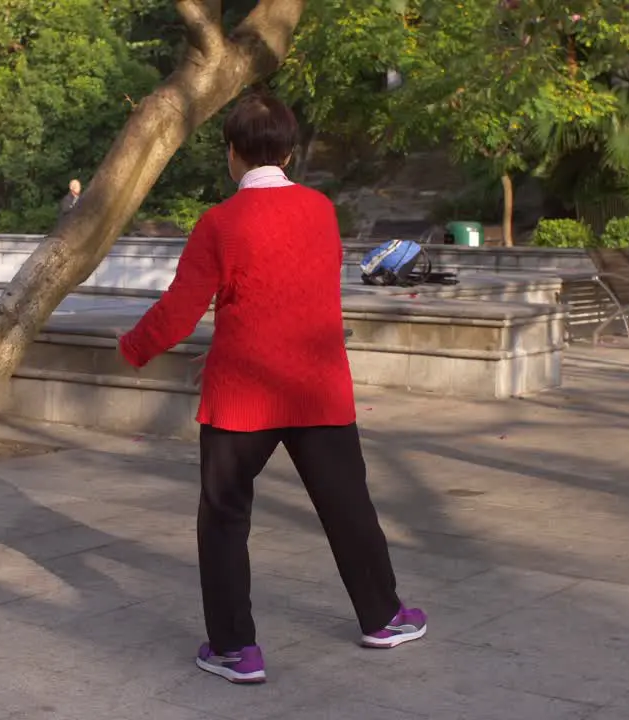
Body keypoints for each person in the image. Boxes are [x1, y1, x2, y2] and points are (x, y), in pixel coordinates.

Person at [116, 92, 424, 685]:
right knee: (347, 507)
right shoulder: (320, 210)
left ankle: (236, 649)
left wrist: (132, 348)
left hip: (242, 398)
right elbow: (301, 291)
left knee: (225, 517)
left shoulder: (220, 223)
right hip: (317, 389)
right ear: (288, 151)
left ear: (232, 154)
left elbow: (181, 312)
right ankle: (383, 617)